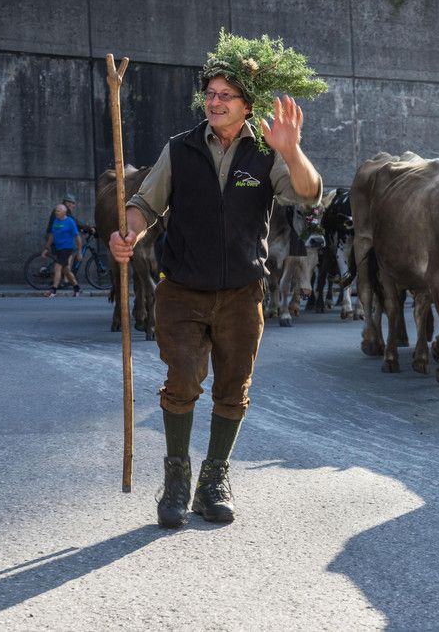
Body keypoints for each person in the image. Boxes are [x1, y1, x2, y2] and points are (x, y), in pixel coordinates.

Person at [109, 29, 327, 529]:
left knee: (233, 388)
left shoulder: (267, 152)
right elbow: (144, 204)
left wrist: (292, 151)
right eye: (210, 93)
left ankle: (213, 481)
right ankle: (176, 480)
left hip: (242, 293)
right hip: (182, 289)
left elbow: (308, 194)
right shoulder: (180, 148)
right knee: (183, 379)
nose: (215, 102)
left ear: (247, 105)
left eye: (226, 95)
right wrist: (130, 233)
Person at [42, 204, 82, 297]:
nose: (56, 212)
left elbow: (77, 237)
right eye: (56, 211)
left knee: (57, 267)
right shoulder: (56, 221)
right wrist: (46, 248)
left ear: (64, 212)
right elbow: (52, 236)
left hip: (67, 248)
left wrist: (79, 251)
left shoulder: (70, 222)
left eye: (58, 211)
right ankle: (77, 288)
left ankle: (53, 290)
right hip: (59, 249)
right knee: (66, 270)